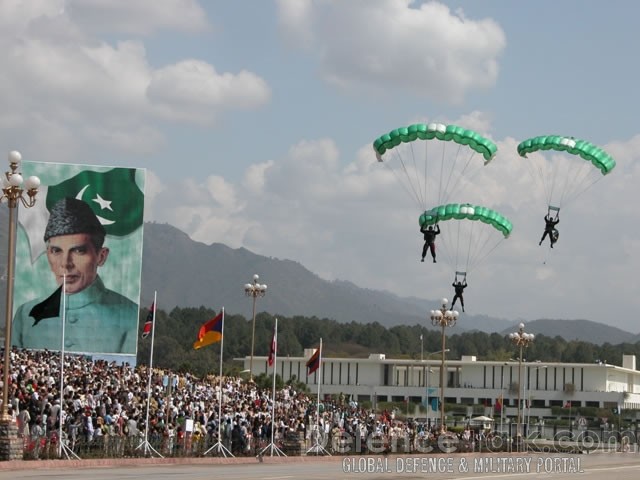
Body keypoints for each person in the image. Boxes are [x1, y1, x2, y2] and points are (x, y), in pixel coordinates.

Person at [12, 197, 138, 354]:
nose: (66, 263)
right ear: (48, 254)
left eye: (79, 251)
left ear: (101, 256)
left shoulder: (129, 315)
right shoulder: (26, 315)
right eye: (56, 251)